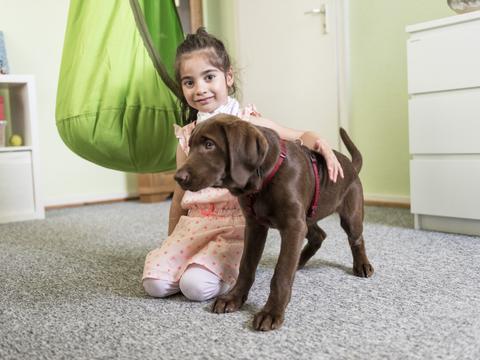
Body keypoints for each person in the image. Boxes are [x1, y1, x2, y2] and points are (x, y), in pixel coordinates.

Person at [142, 28, 343, 301]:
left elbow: (298, 136)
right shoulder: (187, 136)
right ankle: (189, 260)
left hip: (234, 227)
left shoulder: (249, 124)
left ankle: (225, 273)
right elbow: (180, 195)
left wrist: (319, 142)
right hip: (196, 226)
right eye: (189, 82)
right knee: (155, 284)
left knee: (196, 288)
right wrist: (170, 240)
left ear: (228, 77)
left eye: (209, 77)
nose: (200, 88)